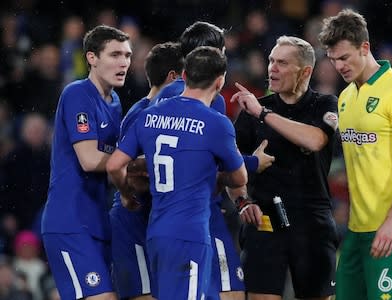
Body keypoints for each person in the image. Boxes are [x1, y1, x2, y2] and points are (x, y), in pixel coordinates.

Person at [106, 46, 248, 300]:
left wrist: (126, 194)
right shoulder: (216, 123)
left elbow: (114, 165)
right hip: (190, 233)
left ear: (184, 74)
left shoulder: (149, 116)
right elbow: (239, 178)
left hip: (156, 233)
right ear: (220, 80)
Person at [157, 21, 274, 300]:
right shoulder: (210, 102)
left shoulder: (162, 100)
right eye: (222, 51)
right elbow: (223, 165)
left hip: (166, 220)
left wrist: (241, 200)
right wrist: (255, 162)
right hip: (200, 217)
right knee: (231, 293)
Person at [318, 9, 392, 300]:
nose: (339, 66)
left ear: (365, 48)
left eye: (344, 58)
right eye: (332, 60)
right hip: (357, 230)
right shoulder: (346, 98)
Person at [230, 35, 339, 300]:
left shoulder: (325, 104)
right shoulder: (252, 110)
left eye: (281, 63)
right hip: (264, 220)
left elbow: (315, 140)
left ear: (305, 72)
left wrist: (263, 114)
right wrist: (242, 201)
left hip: (312, 222)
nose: (272, 69)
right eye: (270, 61)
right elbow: (230, 166)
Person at [41, 25, 132, 300]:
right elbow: (90, 159)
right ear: (92, 58)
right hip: (69, 221)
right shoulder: (77, 93)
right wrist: (136, 164)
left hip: (96, 221)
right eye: (115, 54)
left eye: (127, 56)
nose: (124, 63)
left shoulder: (115, 102)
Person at [109, 42, 183, 300]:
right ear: (174, 77)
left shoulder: (168, 116)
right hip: (133, 219)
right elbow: (129, 170)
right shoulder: (141, 114)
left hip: (154, 220)